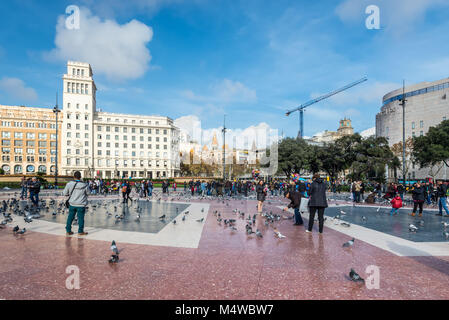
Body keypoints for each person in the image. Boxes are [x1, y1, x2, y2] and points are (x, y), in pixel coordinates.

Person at [63, 171, 89, 236]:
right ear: (80, 177)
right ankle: (80, 231)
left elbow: (65, 193)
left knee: (70, 217)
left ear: (73, 176)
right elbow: (88, 193)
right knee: (81, 218)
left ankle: (68, 231)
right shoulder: (85, 184)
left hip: (72, 204)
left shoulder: (69, 184)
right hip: (81, 204)